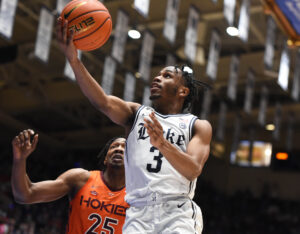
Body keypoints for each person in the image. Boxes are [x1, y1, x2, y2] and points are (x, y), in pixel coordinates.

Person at [57, 17, 212, 233]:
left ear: (183, 91)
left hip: (176, 211)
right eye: (157, 75)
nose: (157, 78)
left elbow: (194, 169)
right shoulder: (136, 113)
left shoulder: (197, 126)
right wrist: (74, 60)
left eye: (166, 76)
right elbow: (101, 101)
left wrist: (163, 145)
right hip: (138, 213)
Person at [11, 129, 128, 234]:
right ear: (105, 159)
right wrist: (19, 160)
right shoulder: (80, 179)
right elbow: (25, 195)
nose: (119, 149)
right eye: (114, 146)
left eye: (125, 148)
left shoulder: (138, 194)